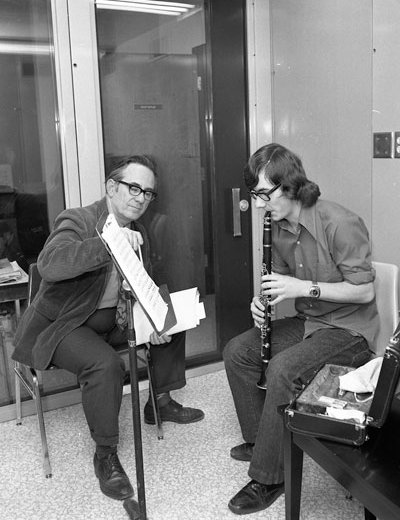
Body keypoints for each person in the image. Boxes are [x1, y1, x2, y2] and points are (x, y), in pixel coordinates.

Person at [12, 155, 204, 501]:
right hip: (68, 321)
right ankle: (105, 454)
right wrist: (106, 245)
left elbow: (138, 282)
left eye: (148, 192)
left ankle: (159, 401)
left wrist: (154, 321)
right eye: (134, 188)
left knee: (172, 318)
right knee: (105, 364)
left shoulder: (138, 231)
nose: (141, 197)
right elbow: (50, 264)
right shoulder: (79, 220)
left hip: (114, 317)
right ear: (111, 187)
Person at [223, 143, 379, 515]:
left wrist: (301, 289)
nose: (259, 204)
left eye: (264, 194)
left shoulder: (338, 222)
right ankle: (263, 439)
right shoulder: (276, 228)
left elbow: (365, 290)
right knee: (236, 352)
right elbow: (281, 281)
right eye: (254, 195)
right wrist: (263, 303)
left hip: (348, 330)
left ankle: (269, 475)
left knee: (283, 369)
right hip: (310, 323)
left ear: (290, 186)